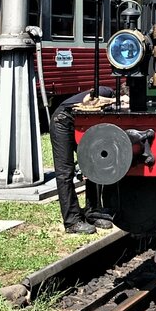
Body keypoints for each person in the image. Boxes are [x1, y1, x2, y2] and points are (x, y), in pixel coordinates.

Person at [51, 87, 117, 234]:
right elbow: (88, 99)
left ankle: (92, 212)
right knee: (65, 173)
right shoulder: (106, 91)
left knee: (93, 165)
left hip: (79, 124)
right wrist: (115, 101)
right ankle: (72, 221)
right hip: (63, 121)